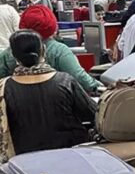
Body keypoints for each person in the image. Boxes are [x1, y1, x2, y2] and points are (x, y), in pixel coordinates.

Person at [0, 30, 96, 160]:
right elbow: (92, 114)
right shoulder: (65, 81)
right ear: (43, 50)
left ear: (14, 56)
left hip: (25, 162)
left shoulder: (3, 88)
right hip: (71, 156)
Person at [0, 4, 100, 93]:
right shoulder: (59, 51)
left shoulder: (9, 53)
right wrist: (101, 89)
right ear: (52, 25)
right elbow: (81, 79)